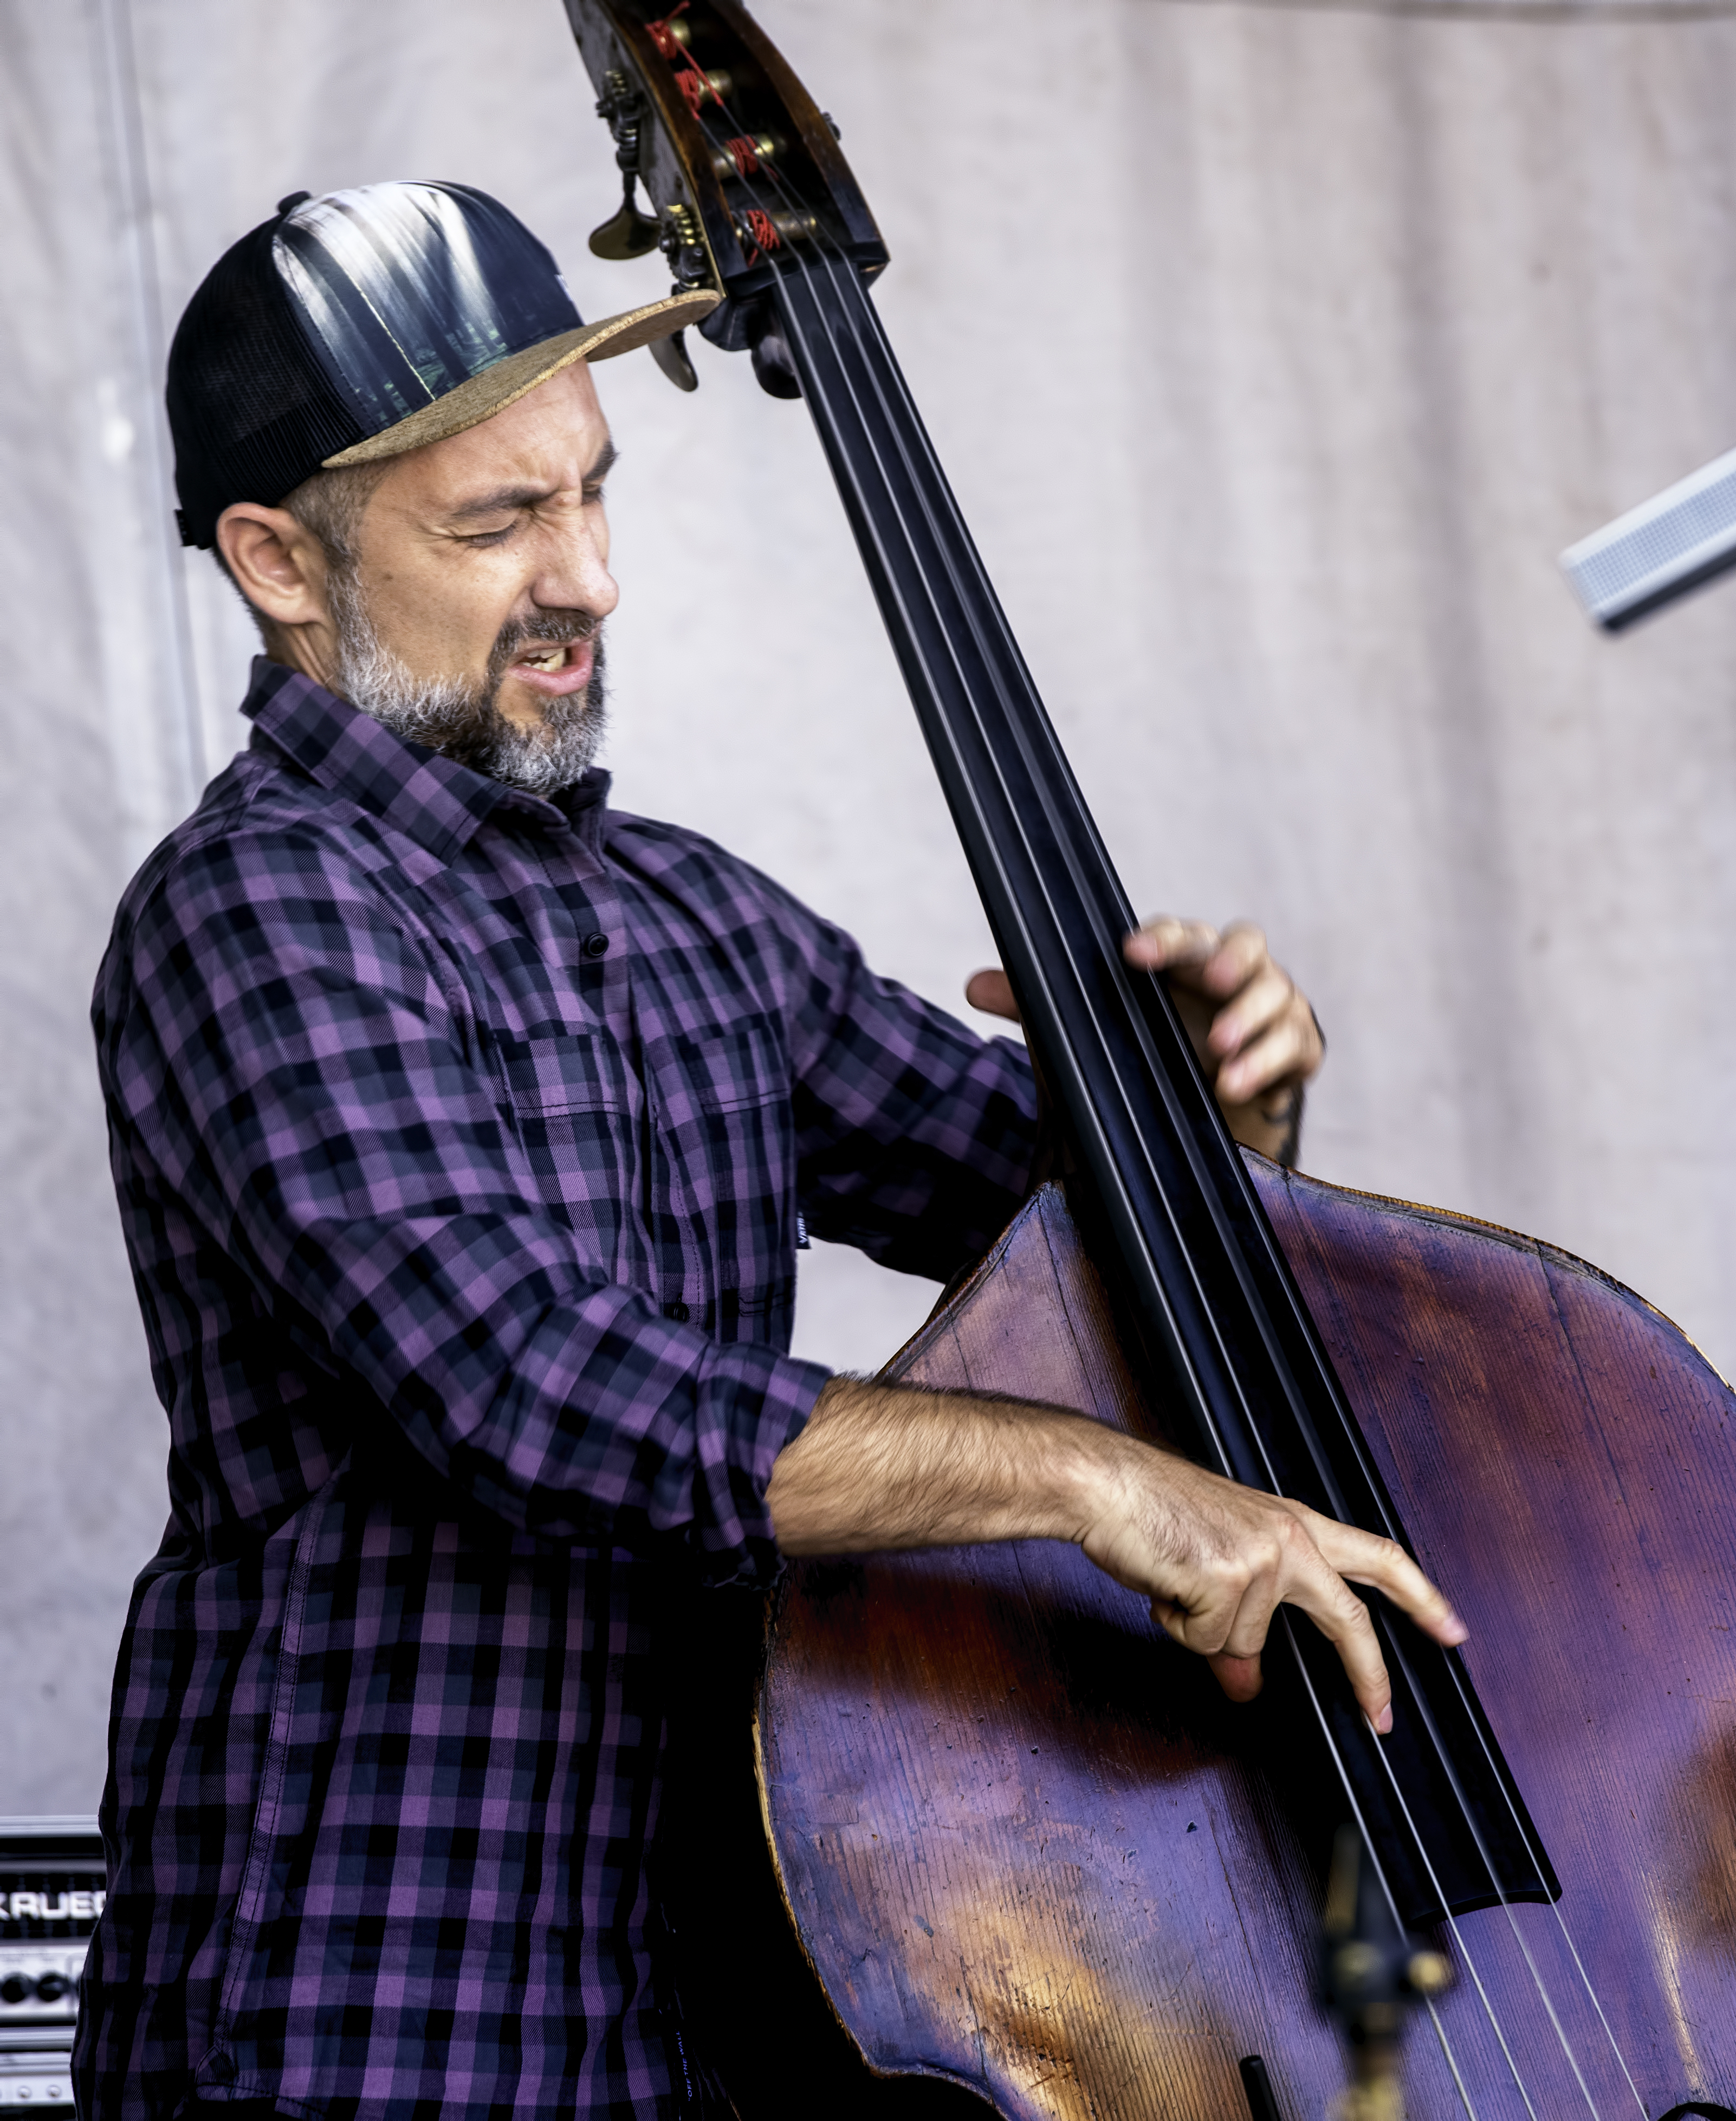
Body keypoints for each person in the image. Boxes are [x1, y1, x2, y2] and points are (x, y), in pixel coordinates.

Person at [76, 181, 1465, 2119]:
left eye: (591, 492)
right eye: (499, 521)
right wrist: (1090, 1486)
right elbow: (531, 1384)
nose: (589, 578)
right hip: (376, 2017)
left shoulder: (694, 920)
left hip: (734, 2010)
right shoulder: (254, 915)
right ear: (279, 565)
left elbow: (1071, 1248)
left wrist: (1225, 1126)